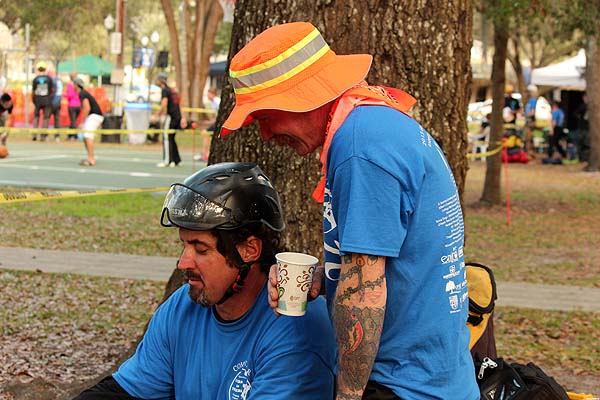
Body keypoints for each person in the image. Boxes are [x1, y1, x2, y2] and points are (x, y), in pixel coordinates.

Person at [220, 22, 479, 400]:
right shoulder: (373, 124)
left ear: (299, 97)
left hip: (404, 386)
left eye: (263, 117)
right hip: (430, 376)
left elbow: (365, 293)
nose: (264, 135)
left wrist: (348, 395)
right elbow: (391, 265)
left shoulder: (360, 146)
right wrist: (320, 281)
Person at [73, 162, 336, 399]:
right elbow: (126, 392)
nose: (183, 263)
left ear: (249, 250)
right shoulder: (182, 308)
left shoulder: (295, 327)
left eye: (200, 249)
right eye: (184, 245)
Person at [73, 77, 104, 166]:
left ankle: (91, 159)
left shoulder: (82, 93)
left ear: (77, 85)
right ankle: (90, 157)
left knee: (88, 136)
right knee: (85, 137)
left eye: (74, 84)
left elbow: (87, 108)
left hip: (94, 115)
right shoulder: (82, 93)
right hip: (94, 116)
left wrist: (82, 122)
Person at [155, 72, 182, 167]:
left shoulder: (164, 90)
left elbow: (164, 104)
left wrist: (156, 115)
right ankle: (176, 159)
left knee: (166, 137)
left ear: (160, 80)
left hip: (172, 116)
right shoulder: (171, 90)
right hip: (177, 116)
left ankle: (168, 160)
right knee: (171, 137)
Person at [31, 61, 55, 141]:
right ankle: (43, 136)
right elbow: (52, 90)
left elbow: (33, 91)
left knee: (36, 117)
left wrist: (33, 100)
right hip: (47, 100)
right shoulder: (49, 79)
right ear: (45, 69)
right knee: (46, 118)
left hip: (37, 100)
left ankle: (34, 134)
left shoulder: (35, 79)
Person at [65, 73, 82, 141]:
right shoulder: (80, 85)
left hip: (72, 105)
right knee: (73, 121)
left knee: (73, 121)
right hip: (79, 105)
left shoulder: (70, 85)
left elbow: (69, 95)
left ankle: (75, 136)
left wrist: (64, 95)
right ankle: (69, 135)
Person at [524, 84, 538, 156]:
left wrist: (526, 116)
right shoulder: (529, 101)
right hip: (529, 120)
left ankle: (530, 153)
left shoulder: (532, 100)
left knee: (529, 138)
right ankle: (529, 153)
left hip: (530, 121)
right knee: (528, 137)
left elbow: (532, 112)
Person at [50, 70, 63, 141]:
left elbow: (52, 91)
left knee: (47, 118)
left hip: (53, 102)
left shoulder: (53, 80)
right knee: (57, 120)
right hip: (58, 102)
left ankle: (45, 135)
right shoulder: (59, 80)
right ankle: (57, 136)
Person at [0, 92, 13, 158]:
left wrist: (5, 132)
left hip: (2, 116)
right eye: (7, 104)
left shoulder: (10, 105)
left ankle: (3, 148)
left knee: (5, 133)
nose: (9, 105)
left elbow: (8, 119)